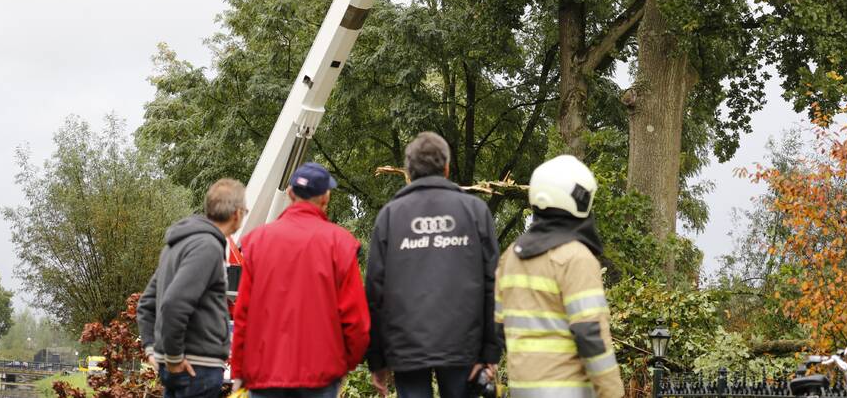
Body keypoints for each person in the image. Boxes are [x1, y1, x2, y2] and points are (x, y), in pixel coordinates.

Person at [366, 132, 501, 398]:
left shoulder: (391, 216)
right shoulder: (475, 211)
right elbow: (493, 284)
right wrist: (490, 350)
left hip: (406, 349)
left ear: (409, 171)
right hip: (464, 347)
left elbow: (374, 291)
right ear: (447, 168)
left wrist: (378, 358)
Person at [229, 162, 369, 398]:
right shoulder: (340, 244)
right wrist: (347, 362)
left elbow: (244, 313)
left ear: (291, 193)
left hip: (265, 373)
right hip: (320, 373)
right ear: (326, 196)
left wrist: (239, 369)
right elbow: (356, 319)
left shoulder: (258, 242)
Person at [496, 155, 623, 398]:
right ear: (579, 198)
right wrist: (612, 392)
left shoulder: (511, 256)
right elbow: (589, 334)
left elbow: (494, 327)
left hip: (522, 391)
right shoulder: (577, 258)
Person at [137, 178, 247, 398]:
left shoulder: (175, 246)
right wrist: (174, 357)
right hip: (197, 367)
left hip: (182, 366)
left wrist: (151, 348)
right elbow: (174, 304)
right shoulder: (207, 247)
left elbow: (147, 303)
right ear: (236, 213)